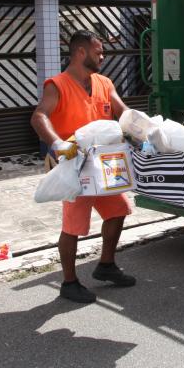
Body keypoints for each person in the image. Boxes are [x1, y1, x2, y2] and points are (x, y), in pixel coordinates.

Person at [30, 30, 136, 304]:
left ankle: (106, 265)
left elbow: (122, 112)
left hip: (103, 163)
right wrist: (56, 143)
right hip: (74, 164)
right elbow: (39, 116)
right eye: (98, 51)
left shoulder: (104, 82)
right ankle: (69, 282)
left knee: (119, 210)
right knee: (74, 225)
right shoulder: (57, 85)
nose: (103, 55)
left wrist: (144, 129)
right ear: (80, 52)